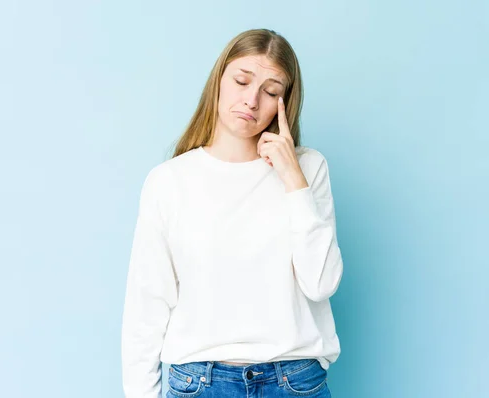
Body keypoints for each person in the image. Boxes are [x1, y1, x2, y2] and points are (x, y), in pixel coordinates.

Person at [121, 28, 344, 398]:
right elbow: (146, 305)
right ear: (218, 81)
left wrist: (292, 177)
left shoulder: (308, 169)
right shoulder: (169, 181)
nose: (252, 100)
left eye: (271, 91)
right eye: (242, 81)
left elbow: (320, 283)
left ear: (285, 103)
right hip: (200, 383)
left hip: (294, 381)